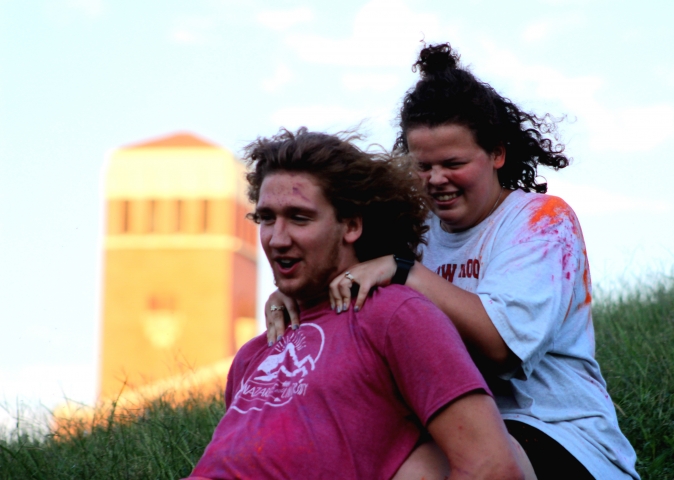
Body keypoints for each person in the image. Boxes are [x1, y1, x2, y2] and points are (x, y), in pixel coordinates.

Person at [267, 44, 640, 479]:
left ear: (497, 154)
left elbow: (502, 349)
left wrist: (406, 272)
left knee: (424, 470)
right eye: (422, 166)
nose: (436, 180)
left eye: (453, 163)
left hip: (560, 438)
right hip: (445, 424)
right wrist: (289, 296)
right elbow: (341, 277)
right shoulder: (414, 228)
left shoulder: (541, 220)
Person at [185, 128, 534, 480]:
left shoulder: (395, 315)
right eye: (267, 218)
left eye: (299, 218)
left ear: (351, 225)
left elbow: (494, 466)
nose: (277, 238)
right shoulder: (252, 354)